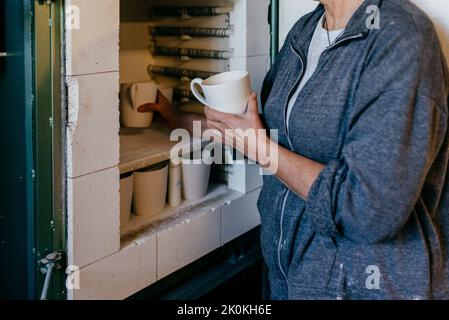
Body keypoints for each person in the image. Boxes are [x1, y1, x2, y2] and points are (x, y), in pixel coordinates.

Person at [139, 0, 449, 299]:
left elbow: (368, 209)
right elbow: (265, 135)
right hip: (289, 278)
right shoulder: (306, 29)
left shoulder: (402, 36)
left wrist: (263, 151)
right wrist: (175, 118)